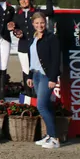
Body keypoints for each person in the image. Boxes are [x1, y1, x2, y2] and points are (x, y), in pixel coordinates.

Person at [26, 12, 61, 149]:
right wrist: (29, 75)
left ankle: (54, 138)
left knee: (41, 106)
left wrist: (53, 78)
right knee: (46, 105)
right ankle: (49, 135)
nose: (39, 25)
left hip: (47, 76)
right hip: (36, 75)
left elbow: (56, 59)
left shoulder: (51, 38)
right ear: (33, 24)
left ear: (45, 23)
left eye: (42, 23)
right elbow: (32, 59)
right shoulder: (33, 38)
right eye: (37, 23)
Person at [12, 0, 55, 95]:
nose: (23, 1)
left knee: (37, 70)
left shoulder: (36, 12)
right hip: (23, 46)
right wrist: (16, 32)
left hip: (37, 46)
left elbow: (50, 12)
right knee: (26, 70)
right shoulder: (17, 15)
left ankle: (38, 94)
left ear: (30, 0)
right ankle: (28, 94)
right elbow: (15, 28)